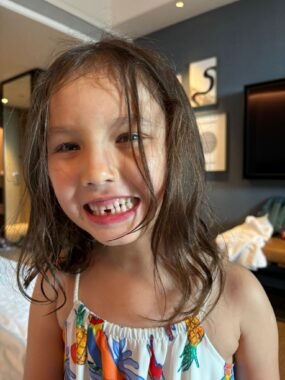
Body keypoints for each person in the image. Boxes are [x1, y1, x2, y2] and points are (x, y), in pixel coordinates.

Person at [18, 37, 279, 380]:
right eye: (67, 145)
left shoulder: (239, 295)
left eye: (130, 137)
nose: (96, 173)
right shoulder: (55, 288)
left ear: (175, 146)